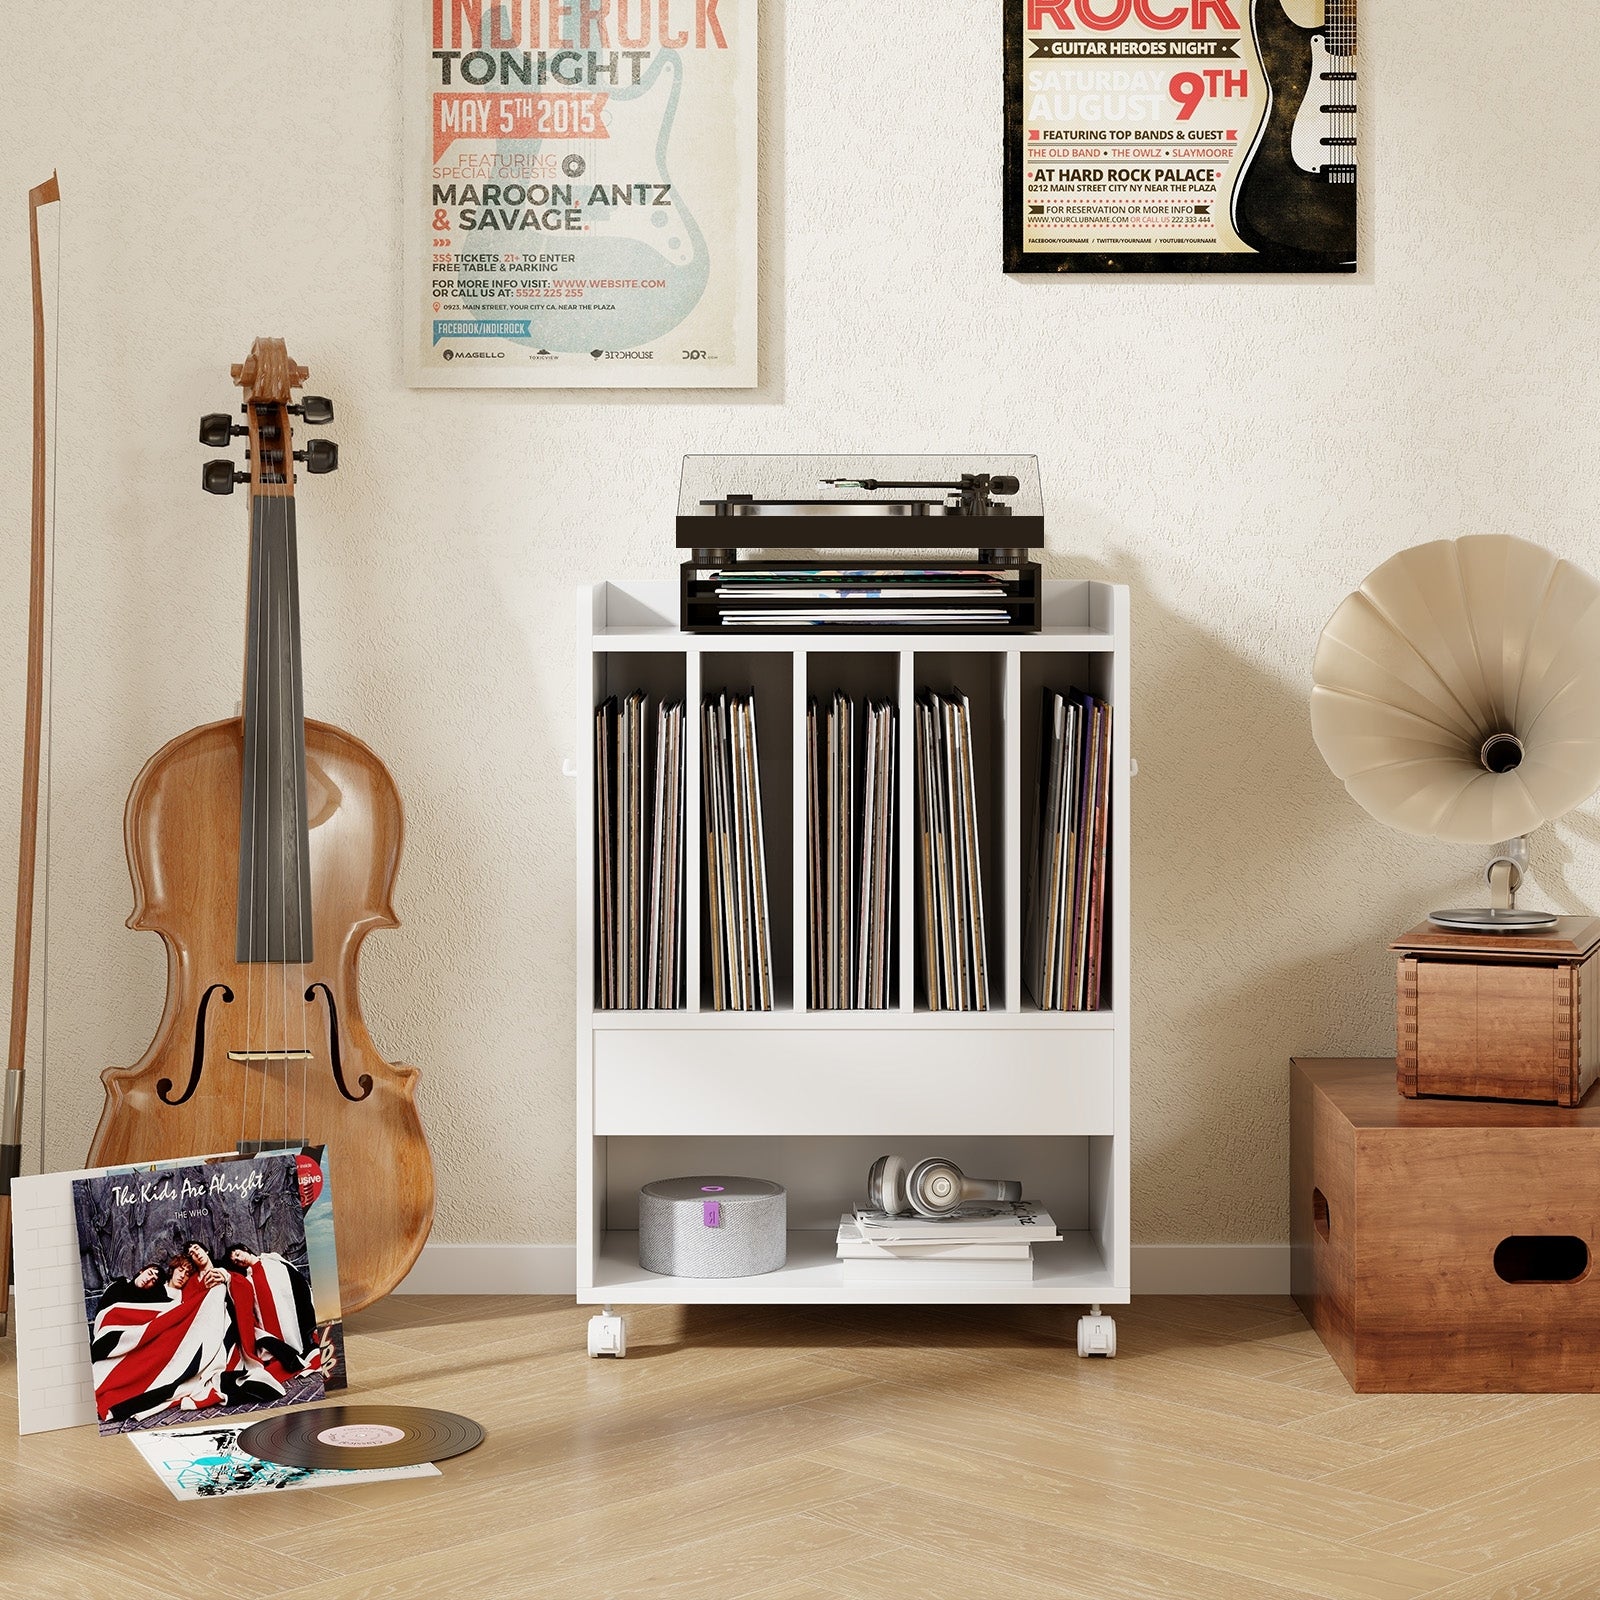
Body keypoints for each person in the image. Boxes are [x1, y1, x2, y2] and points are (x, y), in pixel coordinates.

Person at [224, 1244, 335, 1379]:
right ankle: (289, 1352)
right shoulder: (248, 1280)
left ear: (245, 1249)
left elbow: (295, 1279)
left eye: (238, 1255)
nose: (239, 1260)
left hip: (291, 1311)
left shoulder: (273, 1260)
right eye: (235, 1261)